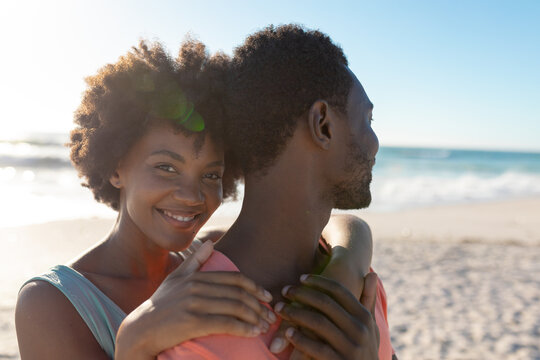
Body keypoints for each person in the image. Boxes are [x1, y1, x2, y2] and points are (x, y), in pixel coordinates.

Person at [15, 39, 376, 359]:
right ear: (115, 168)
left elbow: (342, 225)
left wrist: (345, 266)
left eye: (211, 175)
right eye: (166, 168)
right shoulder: (49, 302)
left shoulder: (209, 252)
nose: (192, 196)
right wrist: (136, 340)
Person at [159, 24, 396, 359]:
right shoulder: (195, 327)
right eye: (368, 120)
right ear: (323, 125)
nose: (374, 145)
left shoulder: (355, 279)